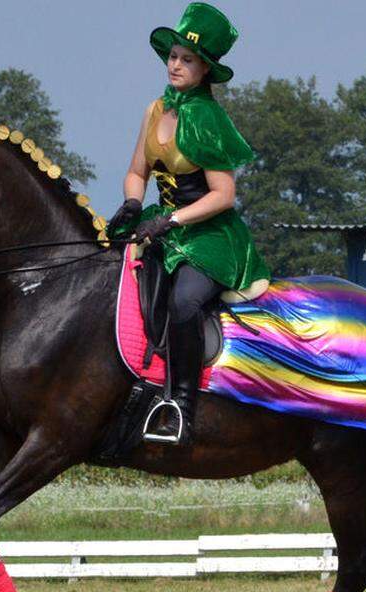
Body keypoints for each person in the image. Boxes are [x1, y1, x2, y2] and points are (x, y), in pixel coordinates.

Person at [108, 2, 270, 446]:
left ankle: (181, 406)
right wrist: (131, 203)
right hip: (160, 224)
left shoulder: (209, 119)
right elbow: (137, 170)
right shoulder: (155, 108)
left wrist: (171, 219)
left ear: (204, 70)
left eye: (187, 59)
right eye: (174, 56)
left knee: (183, 304)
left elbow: (224, 195)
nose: (176, 65)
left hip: (209, 235)